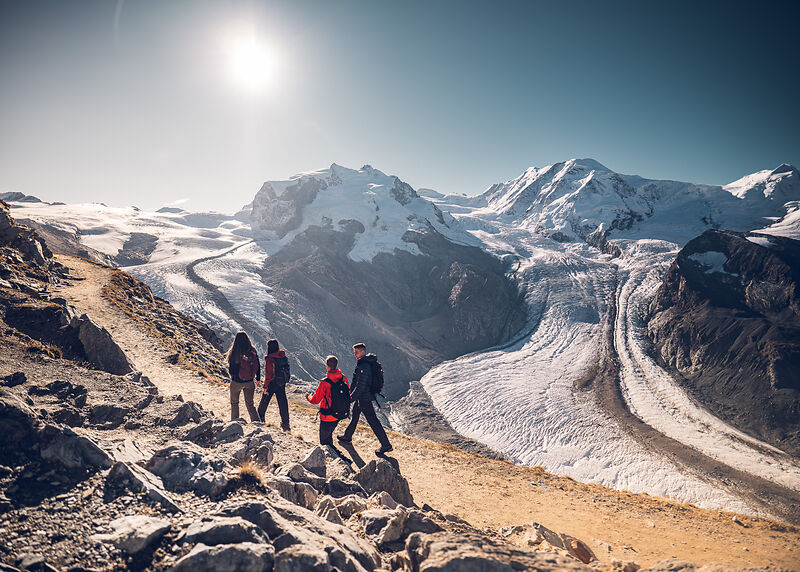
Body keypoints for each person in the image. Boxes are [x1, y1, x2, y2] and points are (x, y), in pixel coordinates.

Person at [338, 342, 393, 455]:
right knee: (355, 415)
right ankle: (347, 436)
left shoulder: (364, 366)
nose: (355, 354)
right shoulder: (365, 363)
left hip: (364, 398)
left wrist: (351, 398)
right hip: (362, 397)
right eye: (354, 352)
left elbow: (361, 386)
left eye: (357, 352)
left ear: (363, 351)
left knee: (373, 420)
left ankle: (386, 445)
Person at [306, 355, 349, 448]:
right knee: (329, 436)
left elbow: (315, 400)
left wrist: (308, 396)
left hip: (327, 415)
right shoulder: (343, 378)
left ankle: (336, 458)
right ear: (337, 365)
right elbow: (348, 393)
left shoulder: (325, 382)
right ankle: (333, 453)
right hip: (339, 414)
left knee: (324, 442)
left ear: (327, 366)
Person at [226, 331, 260, 422]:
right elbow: (258, 365)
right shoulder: (252, 351)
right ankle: (256, 422)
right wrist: (258, 378)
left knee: (234, 403)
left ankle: (235, 423)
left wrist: (233, 377)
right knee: (250, 404)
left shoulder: (234, 351)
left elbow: (231, 368)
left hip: (236, 382)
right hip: (249, 381)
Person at [258, 338, 291, 431]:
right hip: (281, 383)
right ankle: (286, 425)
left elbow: (268, 374)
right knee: (283, 403)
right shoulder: (283, 356)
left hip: (272, 383)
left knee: (264, 403)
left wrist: (265, 386)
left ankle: (260, 420)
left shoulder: (270, 358)